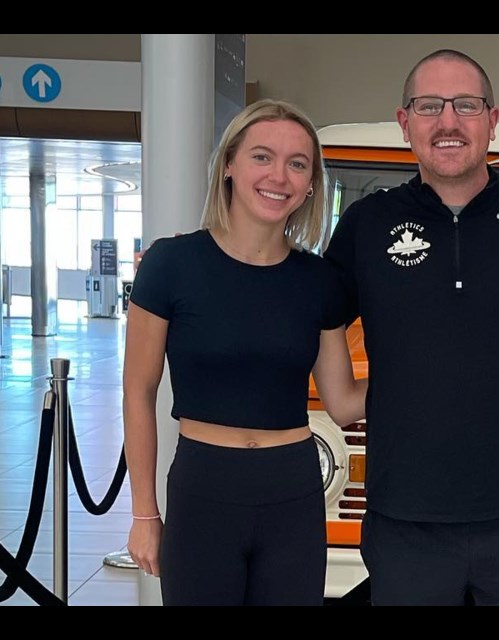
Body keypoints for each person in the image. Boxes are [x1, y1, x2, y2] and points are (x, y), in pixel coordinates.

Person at [323, 49, 499, 605]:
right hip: (404, 519)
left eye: (466, 105)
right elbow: (306, 306)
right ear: (404, 122)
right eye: (429, 106)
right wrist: (201, 262)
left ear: (492, 119)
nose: (447, 122)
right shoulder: (366, 224)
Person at [124, 99, 366, 605]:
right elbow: (138, 390)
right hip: (203, 488)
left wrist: (437, 366)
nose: (279, 175)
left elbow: (342, 402)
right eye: (262, 156)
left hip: (293, 492)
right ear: (229, 165)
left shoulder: (319, 281)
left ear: (310, 184)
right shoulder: (171, 264)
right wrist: (144, 512)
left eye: (298, 164)